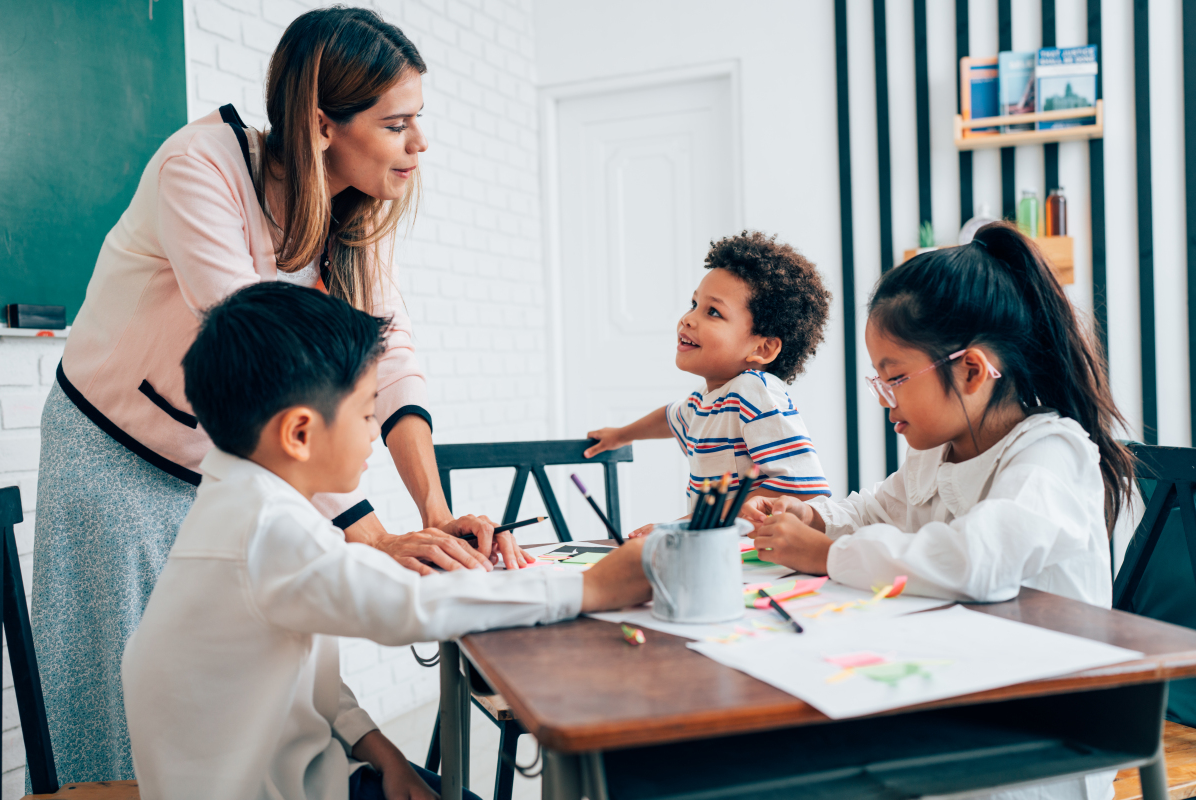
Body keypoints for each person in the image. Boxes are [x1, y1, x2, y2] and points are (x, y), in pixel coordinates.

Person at [32, 7, 531, 783]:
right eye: (397, 123)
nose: (419, 144)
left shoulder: (359, 208)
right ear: (323, 123)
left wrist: (433, 515)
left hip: (227, 464)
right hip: (115, 449)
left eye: (418, 120)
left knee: (241, 687)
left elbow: (388, 352)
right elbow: (268, 373)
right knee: (113, 707)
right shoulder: (199, 167)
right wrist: (371, 537)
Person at [122, 282, 651, 799]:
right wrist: (591, 591)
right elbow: (411, 608)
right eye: (367, 412)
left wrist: (388, 760)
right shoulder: (267, 528)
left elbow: (308, 684)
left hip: (308, 769)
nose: (374, 431)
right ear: (299, 434)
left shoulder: (236, 502)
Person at [742, 222, 1134, 800]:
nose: (885, 396)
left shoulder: (1051, 453)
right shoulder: (941, 450)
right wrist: (814, 518)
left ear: (971, 370)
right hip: (965, 686)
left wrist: (827, 555)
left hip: (1042, 732)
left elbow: (977, 561)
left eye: (895, 376)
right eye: (880, 378)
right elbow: (880, 507)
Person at [584, 231, 833, 536]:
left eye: (713, 311)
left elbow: (803, 491)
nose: (687, 319)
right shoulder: (706, 401)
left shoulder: (753, 391)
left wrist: (683, 527)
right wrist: (621, 435)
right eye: (693, 304)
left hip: (755, 559)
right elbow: (668, 417)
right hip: (719, 550)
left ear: (762, 349)